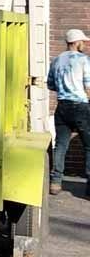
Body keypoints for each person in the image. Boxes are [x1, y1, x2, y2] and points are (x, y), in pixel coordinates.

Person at [48, 29, 90, 195]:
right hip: (80, 106)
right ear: (76, 42)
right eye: (83, 41)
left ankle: (56, 182)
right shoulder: (84, 60)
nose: (85, 44)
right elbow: (88, 86)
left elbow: (50, 84)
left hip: (62, 106)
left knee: (61, 144)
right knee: (89, 146)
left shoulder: (57, 60)